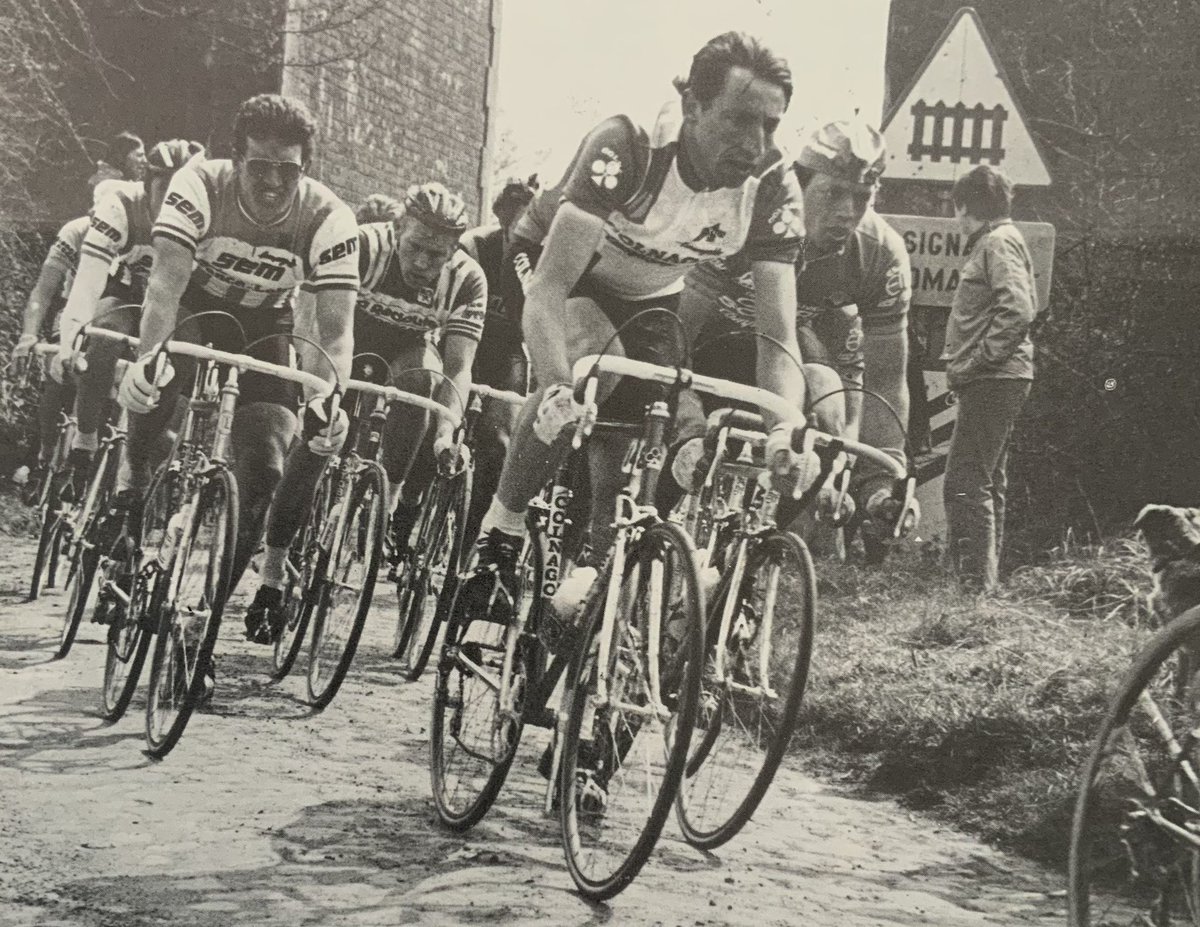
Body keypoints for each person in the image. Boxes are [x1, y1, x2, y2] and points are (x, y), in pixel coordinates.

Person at [469, 31, 812, 603]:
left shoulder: (772, 184)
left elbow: (777, 338)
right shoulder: (628, 145)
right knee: (594, 369)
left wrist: (786, 427)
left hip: (653, 288)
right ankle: (499, 530)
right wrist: (557, 385)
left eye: (770, 125)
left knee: (664, 428)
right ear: (693, 108)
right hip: (558, 264)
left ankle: (600, 572)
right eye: (740, 120)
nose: (756, 143)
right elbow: (550, 292)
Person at [112, 95, 359, 682]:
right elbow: (166, 287)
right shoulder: (199, 183)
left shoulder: (328, 216)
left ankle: (202, 627)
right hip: (195, 309)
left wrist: (330, 397)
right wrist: (149, 360)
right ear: (236, 158)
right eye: (259, 166)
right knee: (159, 387)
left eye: (288, 169)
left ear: (305, 167)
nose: (273, 181)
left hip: (263, 324)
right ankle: (132, 493)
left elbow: (336, 329)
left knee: (269, 461)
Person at [241, 182, 485, 643]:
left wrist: (448, 429)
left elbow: (459, 366)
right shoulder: (361, 246)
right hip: (342, 341)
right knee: (317, 443)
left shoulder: (467, 279)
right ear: (397, 230)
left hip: (404, 351)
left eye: (437, 256)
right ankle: (272, 576)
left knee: (423, 381)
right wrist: (320, 399)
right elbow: (314, 325)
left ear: (454, 250)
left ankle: (386, 505)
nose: (422, 264)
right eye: (414, 249)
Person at [670, 120, 914, 547]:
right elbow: (676, 334)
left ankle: (754, 545)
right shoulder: (747, 216)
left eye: (861, 198)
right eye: (833, 192)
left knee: (825, 388)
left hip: (777, 360)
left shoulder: (879, 252)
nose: (847, 212)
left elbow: (886, 380)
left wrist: (882, 477)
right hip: (702, 348)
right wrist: (685, 417)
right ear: (799, 183)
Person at [53, 139, 206, 481]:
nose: (174, 197)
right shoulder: (121, 204)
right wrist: (70, 333)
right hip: (124, 294)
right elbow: (88, 281)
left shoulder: (203, 213)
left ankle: (142, 454)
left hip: (171, 304)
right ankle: (86, 437)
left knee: (186, 347)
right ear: (147, 181)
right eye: (165, 185)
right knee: (104, 336)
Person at [941, 164, 1036, 592]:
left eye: (957, 209)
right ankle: (984, 584)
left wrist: (978, 361)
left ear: (966, 207)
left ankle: (972, 588)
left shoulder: (996, 242)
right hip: (1000, 378)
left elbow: (1016, 309)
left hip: (994, 379)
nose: (956, 219)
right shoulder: (999, 241)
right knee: (987, 479)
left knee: (964, 481)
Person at [458, 175, 539, 549]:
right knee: (436, 426)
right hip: (463, 342)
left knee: (498, 445)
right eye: (518, 224)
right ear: (504, 219)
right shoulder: (476, 246)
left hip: (506, 350)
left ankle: (468, 542)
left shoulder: (541, 257)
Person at [10, 214, 91, 488]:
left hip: (120, 314)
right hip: (73, 311)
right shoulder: (77, 230)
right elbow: (44, 290)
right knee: (58, 378)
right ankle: (41, 456)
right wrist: (28, 335)